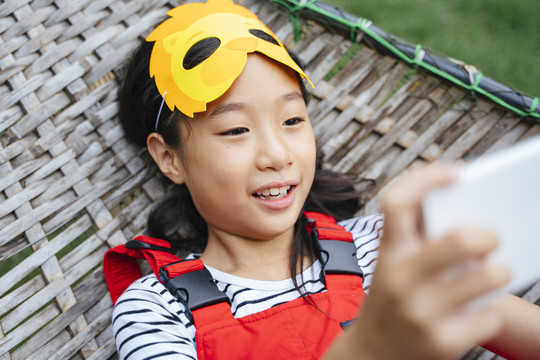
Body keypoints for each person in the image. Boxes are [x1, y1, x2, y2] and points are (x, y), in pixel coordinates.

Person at [108, 0, 540, 359]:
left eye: (292, 119)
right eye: (236, 130)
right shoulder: (158, 312)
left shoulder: (383, 249)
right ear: (169, 158)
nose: (277, 154)